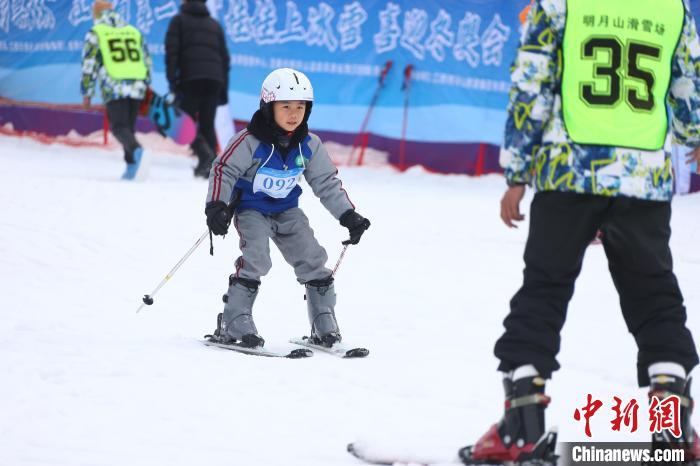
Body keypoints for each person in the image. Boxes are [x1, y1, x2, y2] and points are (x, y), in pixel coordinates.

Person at [460, 0, 700, 464]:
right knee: (655, 298)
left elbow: (531, 87)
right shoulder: (674, 8)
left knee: (544, 291)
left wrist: (516, 172)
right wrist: (696, 135)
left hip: (567, 174)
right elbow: (688, 80)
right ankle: (672, 430)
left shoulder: (557, 4)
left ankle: (521, 431)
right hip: (643, 178)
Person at [203, 68, 370, 348]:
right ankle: (234, 320)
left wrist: (348, 214)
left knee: (313, 257)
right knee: (256, 258)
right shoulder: (249, 141)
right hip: (251, 210)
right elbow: (224, 170)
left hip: (287, 211)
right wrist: (216, 205)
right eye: (286, 107)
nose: (294, 114)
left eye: (301, 107)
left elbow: (326, 181)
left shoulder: (308, 145)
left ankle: (323, 319)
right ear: (269, 107)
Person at [81, 0, 152, 180]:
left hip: (114, 86)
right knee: (127, 127)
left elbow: (89, 65)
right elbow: (147, 60)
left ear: (96, 13)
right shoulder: (133, 31)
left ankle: (137, 152)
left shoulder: (96, 32)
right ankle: (132, 166)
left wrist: (87, 93)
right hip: (137, 85)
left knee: (119, 127)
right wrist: (146, 84)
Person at [165, 0, 230, 178]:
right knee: (207, 124)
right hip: (215, 80)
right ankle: (210, 166)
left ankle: (206, 156)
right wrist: (223, 88)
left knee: (183, 122)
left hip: (191, 78)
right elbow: (225, 59)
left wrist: (172, 81)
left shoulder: (178, 20)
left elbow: (172, 53)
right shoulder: (214, 25)